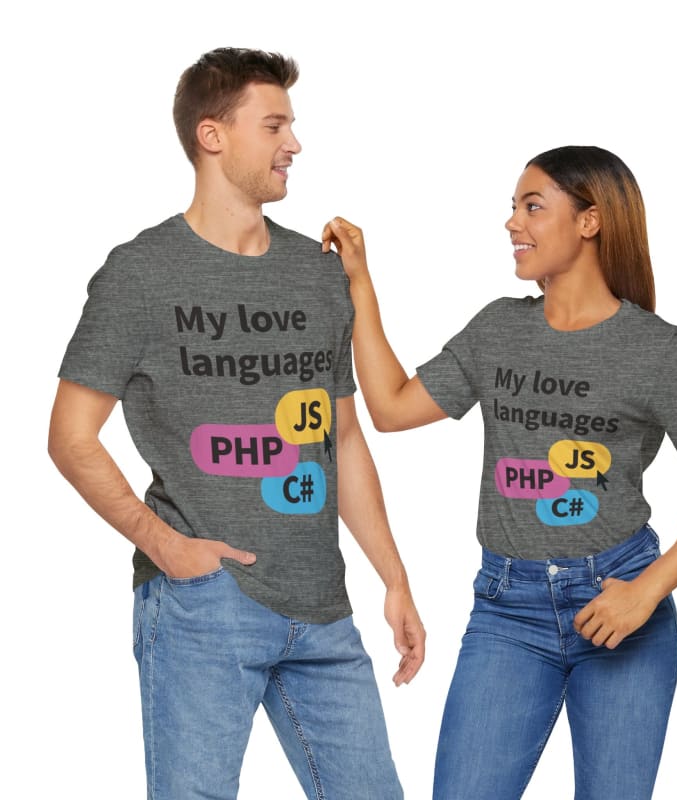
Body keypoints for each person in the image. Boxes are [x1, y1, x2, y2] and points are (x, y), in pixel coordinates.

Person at [322, 145, 677, 800]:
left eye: (532, 206)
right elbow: (390, 408)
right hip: (508, 611)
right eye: (513, 208)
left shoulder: (657, 351)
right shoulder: (499, 329)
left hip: (620, 605)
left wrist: (644, 593)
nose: (512, 224)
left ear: (589, 222)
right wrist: (359, 282)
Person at [48, 47, 424, 800]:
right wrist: (167, 546)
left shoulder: (318, 273)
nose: (295, 144)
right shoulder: (142, 272)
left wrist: (394, 576)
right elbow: (69, 435)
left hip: (323, 606)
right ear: (213, 135)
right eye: (275, 124)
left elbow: (339, 435)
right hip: (202, 605)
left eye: (293, 125)